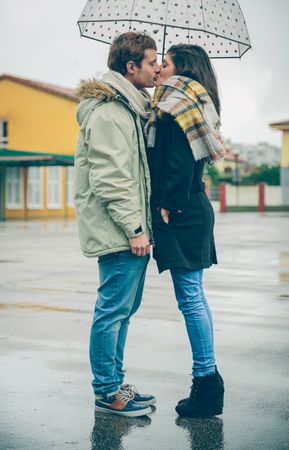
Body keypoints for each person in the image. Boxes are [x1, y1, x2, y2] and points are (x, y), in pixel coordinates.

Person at [74, 32, 160, 417]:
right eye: (151, 62)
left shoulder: (129, 108)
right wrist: (134, 228)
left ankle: (115, 384)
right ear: (131, 67)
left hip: (126, 231)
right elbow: (110, 179)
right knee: (111, 313)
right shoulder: (110, 112)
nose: (157, 67)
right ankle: (107, 391)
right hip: (119, 232)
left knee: (122, 312)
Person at [146, 44, 225, 418]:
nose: (160, 67)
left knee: (191, 298)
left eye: (167, 61)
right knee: (194, 297)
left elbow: (178, 161)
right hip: (192, 208)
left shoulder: (176, 105)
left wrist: (168, 203)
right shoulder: (193, 102)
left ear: (183, 68)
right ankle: (208, 381)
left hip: (182, 212)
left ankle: (206, 383)